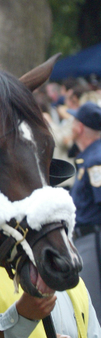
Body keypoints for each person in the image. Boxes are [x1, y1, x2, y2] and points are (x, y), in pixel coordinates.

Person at [69, 102, 101, 324]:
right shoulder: (88, 158)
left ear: (79, 128)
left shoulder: (95, 160)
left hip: (94, 239)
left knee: (94, 308)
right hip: (86, 238)